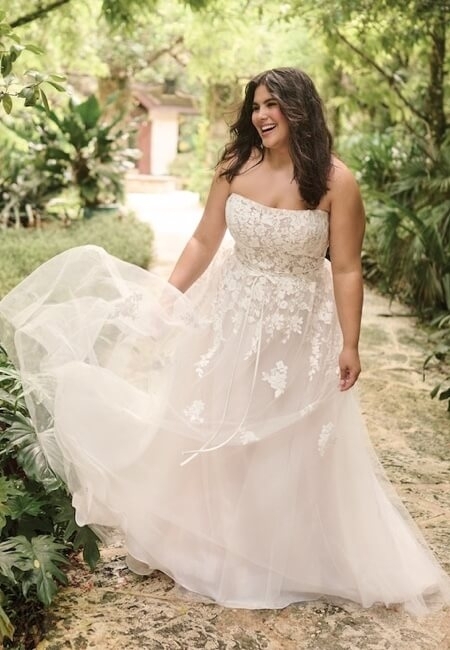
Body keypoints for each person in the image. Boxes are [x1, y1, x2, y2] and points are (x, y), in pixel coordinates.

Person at [0, 67, 449, 616]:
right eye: (256, 105)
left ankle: (281, 551)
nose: (262, 114)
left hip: (298, 330)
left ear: (300, 110)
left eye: (273, 104)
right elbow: (204, 238)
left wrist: (350, 343)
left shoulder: (338, 182)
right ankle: (216, 544)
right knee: (218, 429)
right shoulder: (235, 166)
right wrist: (165, 299)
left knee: (287, 446)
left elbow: (348, 269)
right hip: (229, 319)